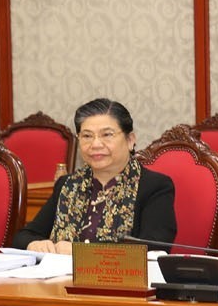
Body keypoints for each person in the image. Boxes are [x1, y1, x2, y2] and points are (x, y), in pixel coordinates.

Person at [13, 98, 176, 252]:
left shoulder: (154, 186)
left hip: (120, 273)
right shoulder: (68, 184)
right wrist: (35, 244)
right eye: (87, 136)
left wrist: (81, 251)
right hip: (60, 273)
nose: (96, 144)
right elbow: (23, 236)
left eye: (107, 135)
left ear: (130, 140)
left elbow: (153, 247)